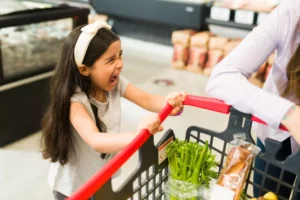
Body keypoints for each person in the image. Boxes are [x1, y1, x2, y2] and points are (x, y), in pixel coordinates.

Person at [41, 21, 186, 199]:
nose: (120, 64)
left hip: (100, 175)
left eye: (120, 55)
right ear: (85, 69)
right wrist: (140, 134)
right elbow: (96, 140)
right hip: (74, 187)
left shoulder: (114, 83)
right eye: (111, 60)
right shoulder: (75, 102)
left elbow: (146, 99)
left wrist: (170, 103)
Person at [206, 0, 300, 198]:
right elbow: (222, 78)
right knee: (267, 194)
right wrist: (288, 114)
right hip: (276, 136)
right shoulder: (290, 13)